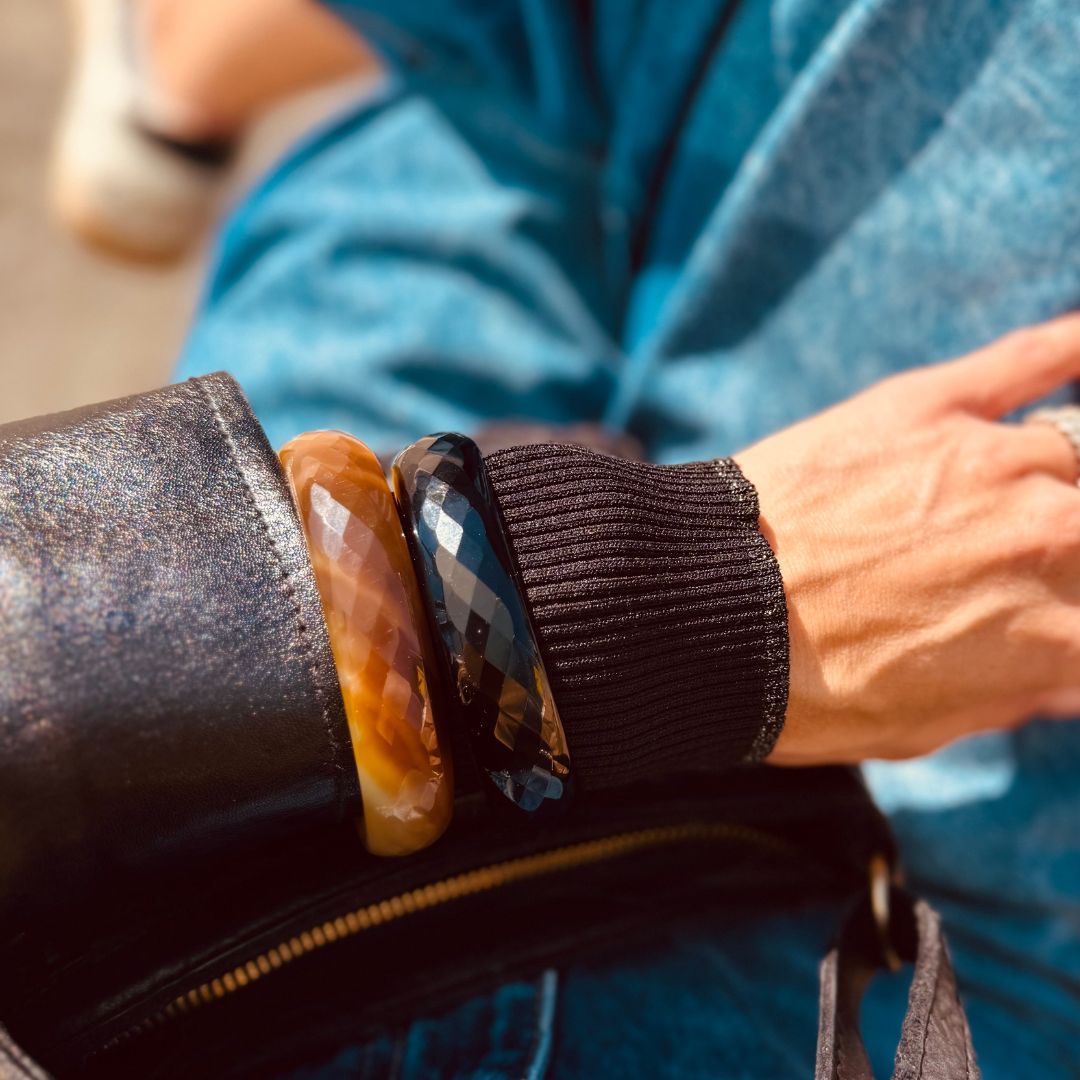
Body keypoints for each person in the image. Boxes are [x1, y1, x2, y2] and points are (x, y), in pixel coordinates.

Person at [56, 1, 1080, 1076]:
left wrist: (623, 598)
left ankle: (213, 59)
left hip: (239, 673)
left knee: (508, 120)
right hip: (885, 931)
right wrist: (689, 602)